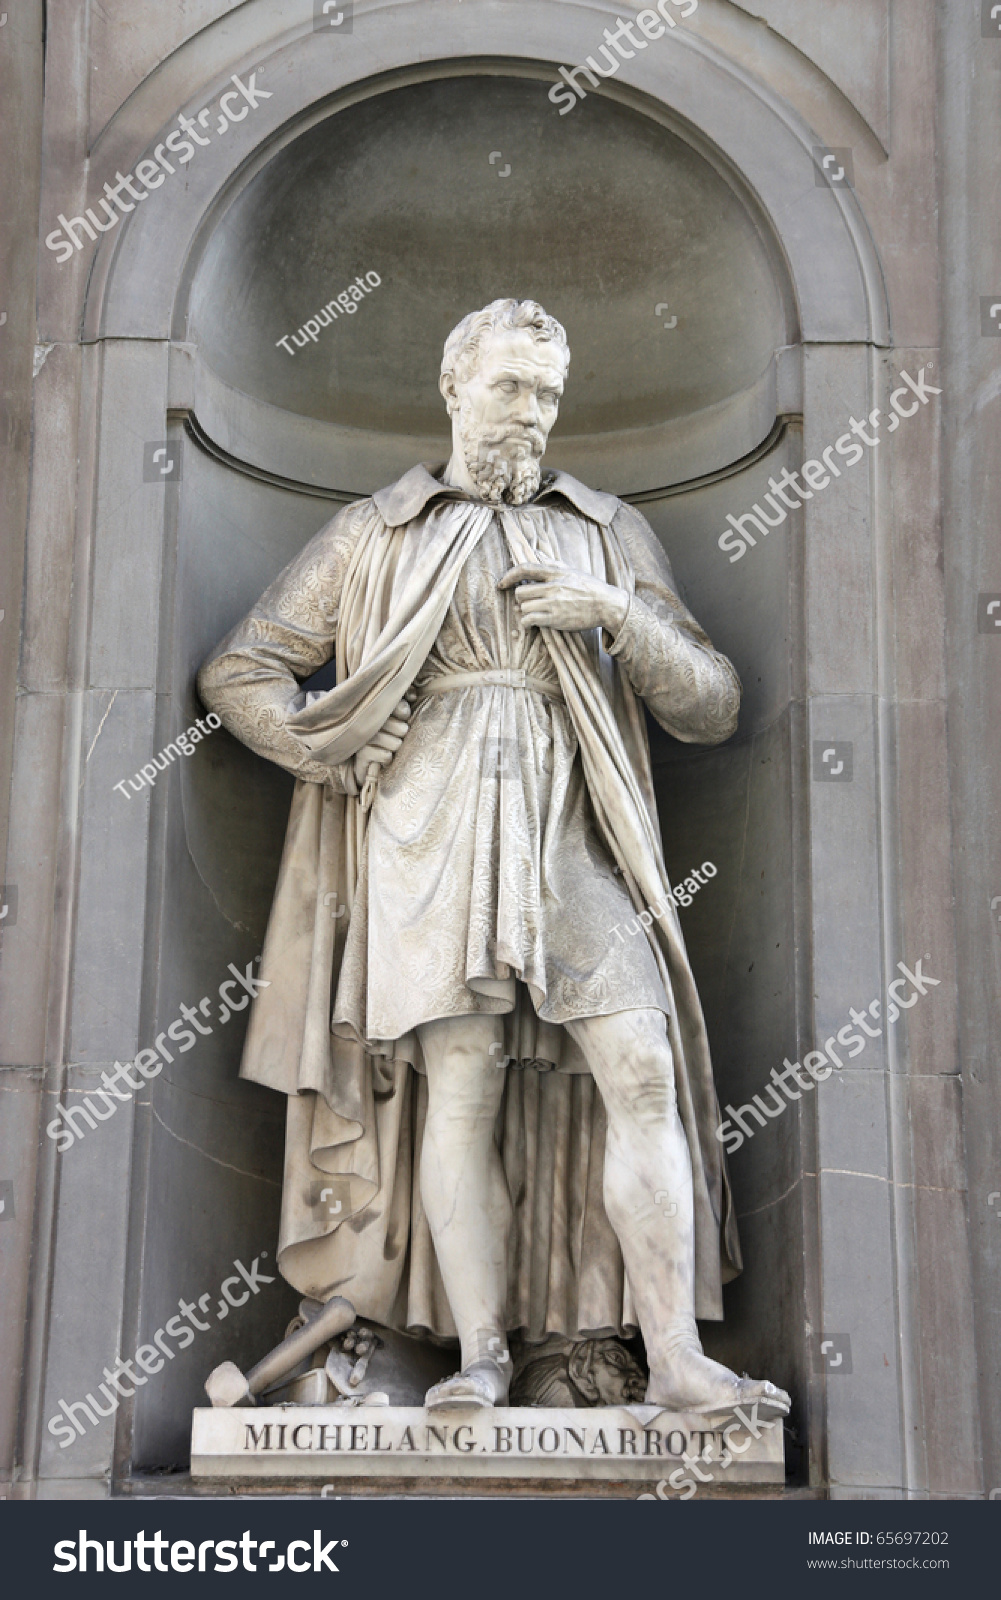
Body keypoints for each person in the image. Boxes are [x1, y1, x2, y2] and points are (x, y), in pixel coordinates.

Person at [198, 299, 789, 1422]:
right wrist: (326, 743)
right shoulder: (378, 530)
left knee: (643, 1070)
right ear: (453, 384)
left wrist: (616, 614)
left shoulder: (602, 530)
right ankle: (477, 1356)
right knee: (457, 1095)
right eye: (512, 386)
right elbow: (243, 672)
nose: (532, 412)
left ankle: (672, 1357)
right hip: (426, 836)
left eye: (549, 393)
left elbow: (710, 704)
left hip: (572, 835)